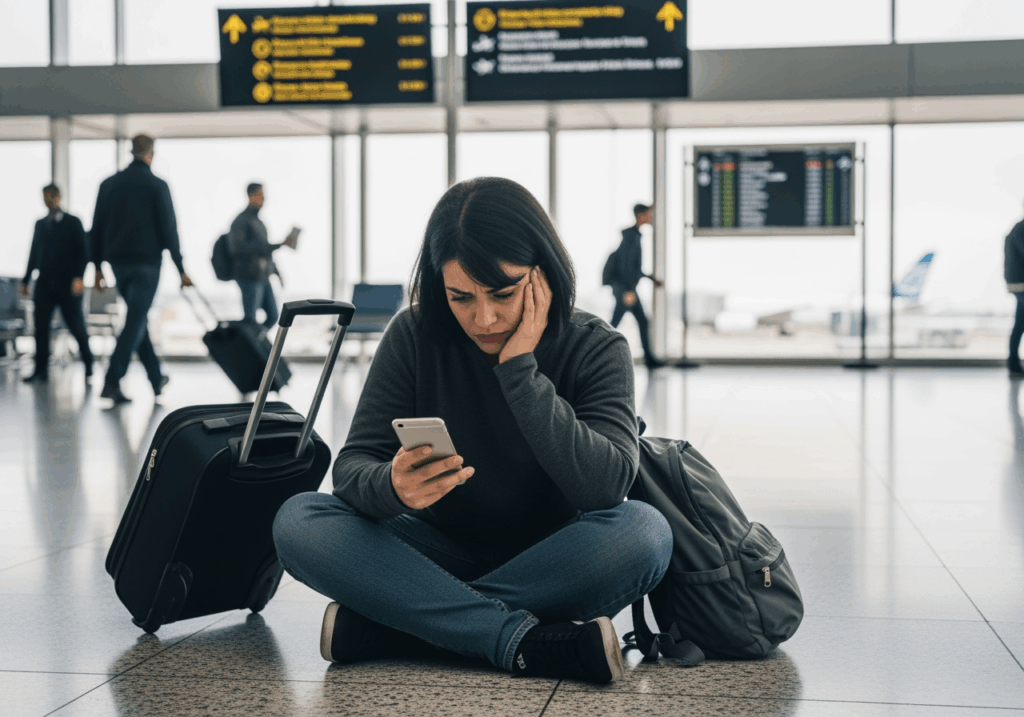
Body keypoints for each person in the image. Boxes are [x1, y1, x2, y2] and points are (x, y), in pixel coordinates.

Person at [272, 177, 671, 684]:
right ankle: (517, 638)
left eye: (503, 293)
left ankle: (405, 627)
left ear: (543, 274)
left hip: (553, 554)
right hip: (435, 549)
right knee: (299, 518)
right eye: (461, 297)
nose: (483, 318)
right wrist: (391, 485)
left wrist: (519, 368)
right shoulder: (414, 334)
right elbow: (352, 471)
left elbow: (604, 487)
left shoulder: (596, 346)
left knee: (645, 532)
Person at [91, 134, 192, 404]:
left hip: (118, 264)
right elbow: (170, 230)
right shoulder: (157, 185)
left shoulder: (108, 185)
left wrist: (98, 268)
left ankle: (156, 379)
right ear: (151, 153)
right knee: (135, 319)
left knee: (138, 318)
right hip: (147, 264)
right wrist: (181, 268)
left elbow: (97, 228)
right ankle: (112, 381)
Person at [19, 184, 94, 384]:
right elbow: (34, 253)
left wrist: (79, 277)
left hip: (68, 283)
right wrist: (26, 279)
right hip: (44, 283)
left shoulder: (73, 222)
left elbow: (84, 253)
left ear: (59, 197)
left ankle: (89, 366)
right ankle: (40, 370)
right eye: (44, 197)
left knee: (76, 325)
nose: (47, 200)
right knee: (40, 327)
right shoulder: (40, 224)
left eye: (50, 196)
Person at [228, 183, 297, 329]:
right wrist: (278, 244)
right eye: (261, 195)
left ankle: (256, 342)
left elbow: (265, 251)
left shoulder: (258, 222)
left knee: (273, 316)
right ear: (252, 196)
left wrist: (277, 272)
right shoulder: (241, 221)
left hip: (262, 275)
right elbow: (238, 248)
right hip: (248, 275)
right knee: (250, 319)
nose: (264, 199)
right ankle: (249, 346)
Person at [608, 204, 668, 369]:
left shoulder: (634, 236)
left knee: (639, 322)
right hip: (625, 288)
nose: (651, 217)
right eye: (649, 214)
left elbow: (634, 268)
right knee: (613, 324)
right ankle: (595, 356)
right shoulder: (631, 237)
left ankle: (650, 360)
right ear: (640, 215)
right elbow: (626, 266)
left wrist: (651, 278)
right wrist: (628, 290)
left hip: (626, 287)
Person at [1006, 206, 1024, 376]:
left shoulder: (1018, 228)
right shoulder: (1021, 229)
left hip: (1018, 285)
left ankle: (1013, 364)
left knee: (1019, 324)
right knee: (1019, 325)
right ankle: (1013, 363)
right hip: (1021, 284)